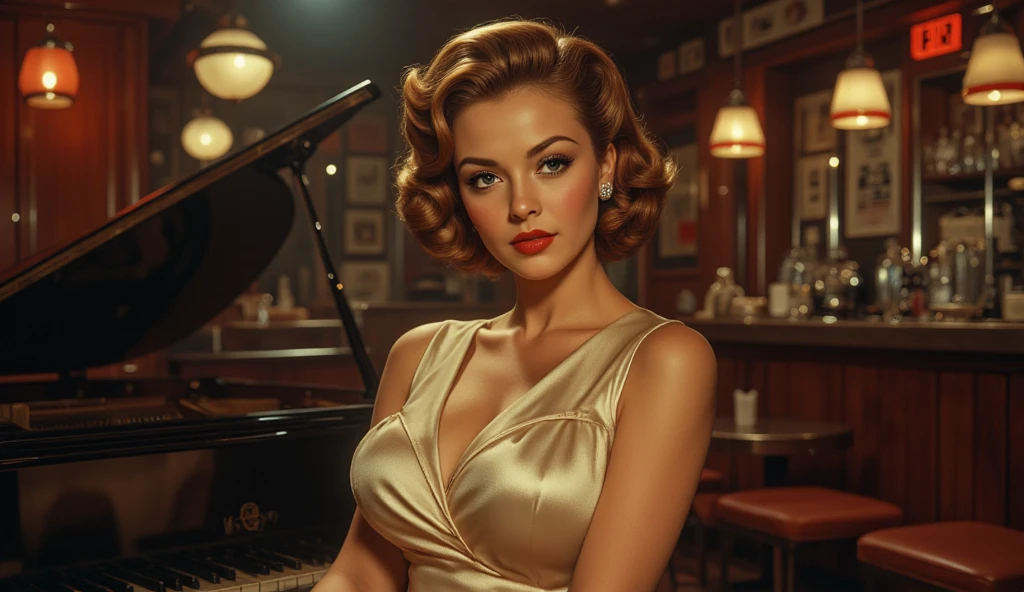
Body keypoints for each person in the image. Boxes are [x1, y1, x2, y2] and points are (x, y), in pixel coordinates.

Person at [313, 18, 717, 592]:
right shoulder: (418, 354)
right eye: (485, 178)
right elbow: (361, 572)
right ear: (459, 193)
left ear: (605, 165)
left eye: (551, 163)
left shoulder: (665, 360)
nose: (522, 204)